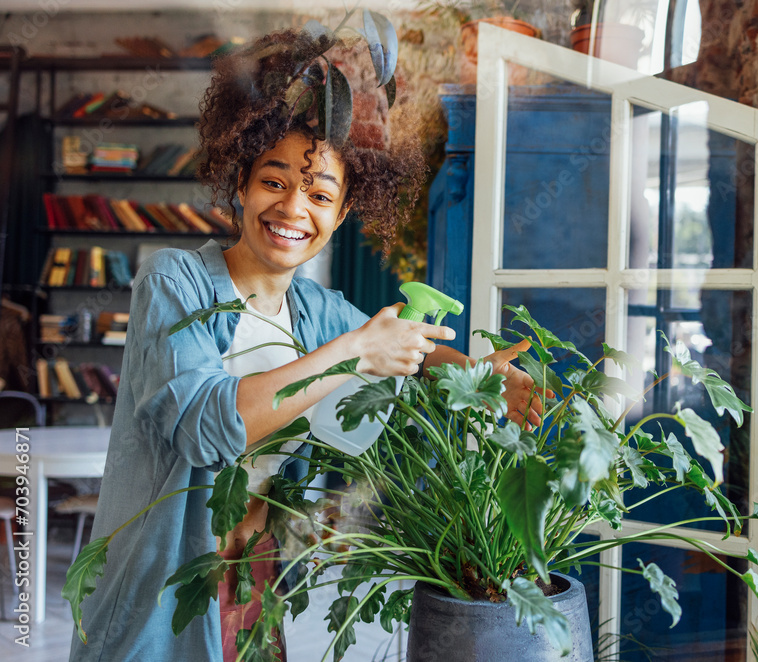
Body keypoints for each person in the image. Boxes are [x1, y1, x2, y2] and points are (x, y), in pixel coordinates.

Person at [69, 28, 543, 662]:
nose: (294, 207)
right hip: (159, 595)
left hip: (257, 586)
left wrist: (482, 376)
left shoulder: (317, 312)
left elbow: (412, 346)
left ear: (342, 213)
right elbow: (210, 425)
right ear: (239, 182)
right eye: (275, 181)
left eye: (320, 193)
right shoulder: (173, 281)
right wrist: (353, 353)